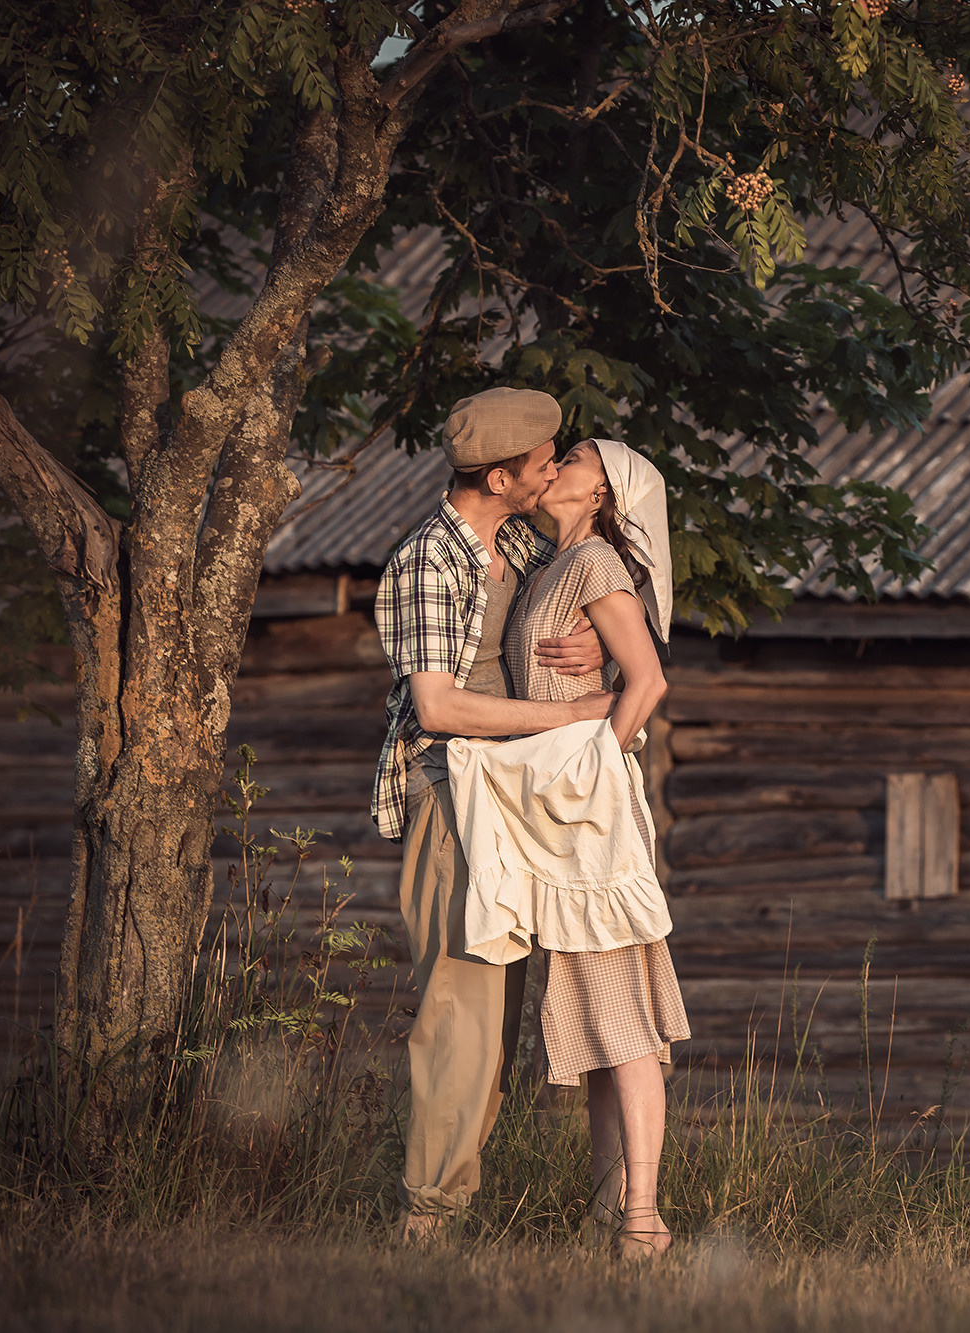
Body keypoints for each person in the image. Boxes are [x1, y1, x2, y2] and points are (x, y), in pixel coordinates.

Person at [372, 387, 615, 1242]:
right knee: (462, 1012)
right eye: (543, 461)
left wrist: (598, 640)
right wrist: (571, 714)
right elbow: (438, 706)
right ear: (503, 475)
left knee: (514, 1017)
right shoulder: (425, 562)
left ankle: (618, 1208)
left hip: (519, 798)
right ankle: (427, 1223)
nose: (556, 466)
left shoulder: (516, 538)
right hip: (452, 800)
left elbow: (613, 566)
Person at [502, 436, 686, 1260]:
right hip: (556, 811)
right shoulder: (550, 564)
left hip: (588, 809)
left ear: (602, 491)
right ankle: (610, 1209)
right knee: (591, 1018)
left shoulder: (597, 563)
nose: (553, 467)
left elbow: (649, 682)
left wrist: (596, 767)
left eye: (570, 458)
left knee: (626, 1018)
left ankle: (643, 1217)